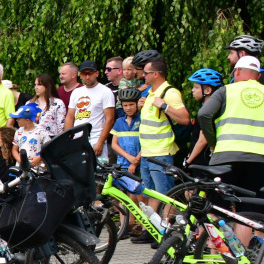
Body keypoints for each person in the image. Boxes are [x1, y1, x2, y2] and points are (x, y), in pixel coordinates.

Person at [198, 56, 264, 243]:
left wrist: (212, 141)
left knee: (215, 207)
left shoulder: (226, 91)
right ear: (257, 75)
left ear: (237, 71)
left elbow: (204, 114)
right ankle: (241, 262)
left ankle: (212, 258)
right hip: (257, 159)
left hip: (225, 158)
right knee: (249, 212)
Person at [137, 58, 189, 214]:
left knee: (165, 194)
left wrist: (164, 106)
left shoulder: (169, 93)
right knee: (151, 193)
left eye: (146, 73)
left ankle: (167, 230)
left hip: (161, 153)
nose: (143, 76)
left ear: (156, 74)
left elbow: (185, 118)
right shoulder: (151, 93)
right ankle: (154, 228)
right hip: (147, 153)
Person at [64, 60, 116, 157]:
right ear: (80, 75)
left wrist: (100, 143)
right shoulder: (76, 92)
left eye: (90, 73)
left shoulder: (105, 91)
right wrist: (67, 140)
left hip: (96, 139)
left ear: (97, 73)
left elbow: (110, 119)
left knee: (98, 170)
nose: (87, 77)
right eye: (84, 74)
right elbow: (70, 117)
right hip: (77, 139)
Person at [111, 88, 144, 239]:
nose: (128, 108)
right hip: (124, 163)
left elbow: (146, 142)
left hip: (139, 164)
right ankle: (125, 226)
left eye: (131, 105)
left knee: (138, 196)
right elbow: (114, 144)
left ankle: (142, 225)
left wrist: (136, 160)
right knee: (123, 196)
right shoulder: (119, 122)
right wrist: (129, 158)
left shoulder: (142, 119)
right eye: (125, 105)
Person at [183, 69, 223, 167]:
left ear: (208, 90)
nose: (192, 90)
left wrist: (188, 161)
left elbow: (203, 139)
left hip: (203, 161)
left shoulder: (207, 113)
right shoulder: (207, 109)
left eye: (196, 87)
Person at [30, 73, 67, 141]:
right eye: (35, 84)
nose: (36, 87)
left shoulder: (57, 103)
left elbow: (61, 128)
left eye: (39, 84)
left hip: (51, 141)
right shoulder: (30, 103)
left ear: (47, 86)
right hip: (32, 141)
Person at [10, 102, 46, 167]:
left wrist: (39, 157)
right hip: (22, 167)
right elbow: (14, 149)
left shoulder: (41, 132)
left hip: (37, 166)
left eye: (19, 118)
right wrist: (21, 161)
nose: (17, 120)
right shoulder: (18, 132)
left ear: (27, 120)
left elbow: (48, 149)